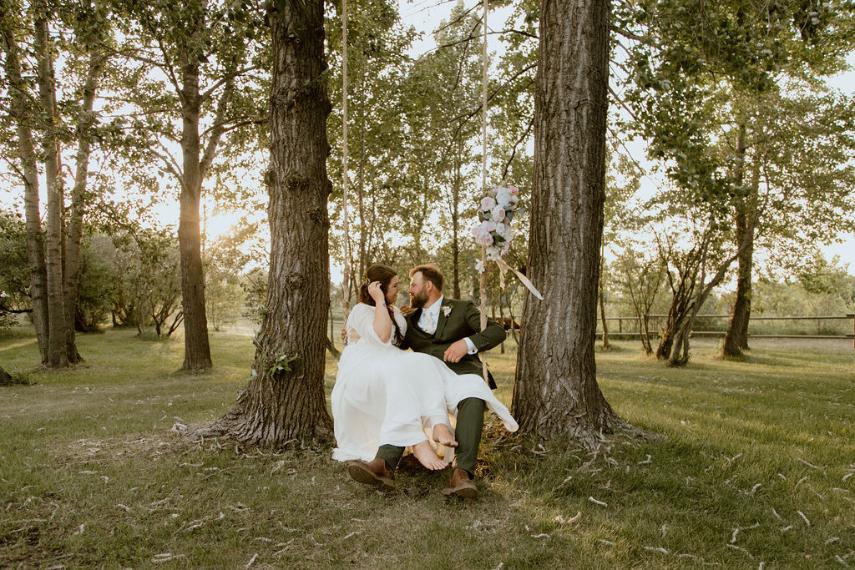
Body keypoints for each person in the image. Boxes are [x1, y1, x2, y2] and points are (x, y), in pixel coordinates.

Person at [342, 263, 518, 499]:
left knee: (473, 397)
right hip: (424, 380)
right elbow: (389, 345)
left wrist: (466, 344)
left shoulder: (462, 308)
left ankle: (462, 473)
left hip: (459, 375)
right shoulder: (409, 320)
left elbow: (496, 331)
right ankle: (384, 464)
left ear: (428, 286)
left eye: (413, 285)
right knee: (403, 386)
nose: (409, 290)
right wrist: (356, 334)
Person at [331, 264, 457, 482]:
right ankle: (418, 442)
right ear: (379, 288)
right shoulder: (361, 310)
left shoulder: (395, 311)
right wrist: (379, 300)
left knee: (423, 363)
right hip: (363, 366)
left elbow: (398, 340)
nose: (400, 290)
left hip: (389, 361)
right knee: (402, 371)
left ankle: (436, 425)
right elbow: (382, 337)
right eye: (395, 286)